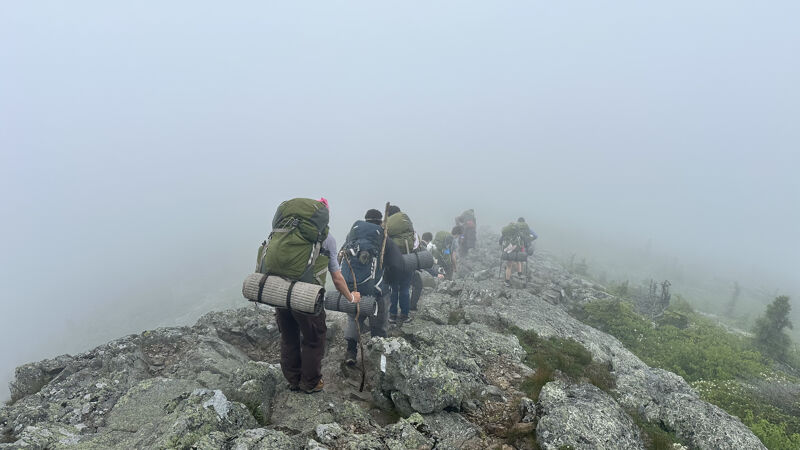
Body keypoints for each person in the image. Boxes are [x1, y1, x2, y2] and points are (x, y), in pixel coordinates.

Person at [273, 198, 361, 393]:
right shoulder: (326, 239)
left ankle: (293, 379)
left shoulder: (285, 232)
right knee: (313, 338)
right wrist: (351, 297)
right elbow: (337, 278)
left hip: (280, 294)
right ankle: (310, 383)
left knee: (288, 337)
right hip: (307, 297)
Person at [342, 209, 404, 365]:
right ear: (380, 221)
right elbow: (398, 264)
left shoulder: (353, 235)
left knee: (354, 318)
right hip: (377, 290)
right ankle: (378, 359)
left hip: (354, 287)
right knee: (379, 325)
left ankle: (351, 352)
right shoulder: (383, 238)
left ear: (366, 219)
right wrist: (390, 281)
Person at [385, 205, 415, 324]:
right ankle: (404, 315)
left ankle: (392, 315)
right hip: (408, 260)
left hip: (394, 262)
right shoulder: (408, 225)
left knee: (393, 289)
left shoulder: (389, 227)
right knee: (405, 289)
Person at [500, 217, 538, 287]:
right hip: (519, 248)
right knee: (519, 260)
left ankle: (507, 282)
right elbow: (535, 236)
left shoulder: (509, 231)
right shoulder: (524, 229)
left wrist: (502, 246)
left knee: (509, 266)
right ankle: (520, 274)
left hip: (509, 249)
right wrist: (529, 241)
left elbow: (500, 241)